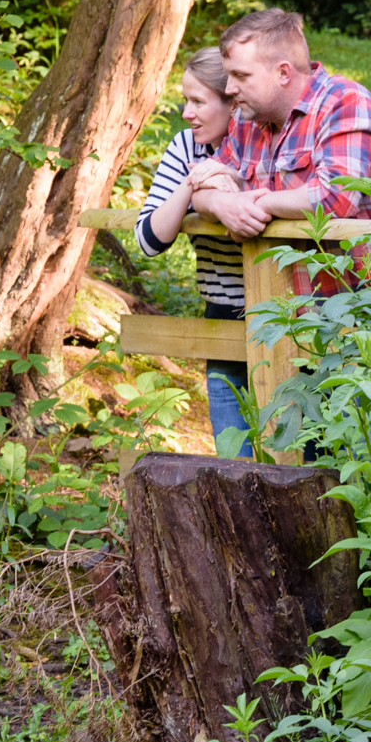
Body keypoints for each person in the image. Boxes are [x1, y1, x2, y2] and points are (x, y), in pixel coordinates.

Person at [188, 9, 371, 272]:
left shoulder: (344, 101)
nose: (229, 88)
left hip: (360, 302)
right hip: (281, 306)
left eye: (241, 76)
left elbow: (336, 197)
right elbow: (199, 186)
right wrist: (223, 204)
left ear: (283, 73)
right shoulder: (247, 120)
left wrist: (255, 205)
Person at [134, 47, 255, 457]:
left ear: (233, 103)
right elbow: (149, 239)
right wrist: (190, 185)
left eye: (199, 101)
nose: (187, 112)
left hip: (282, 312)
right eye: (186, 100)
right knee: (232, 451)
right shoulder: (187, 147)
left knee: (294, 449)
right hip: (221, 312)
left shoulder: (264, 141)